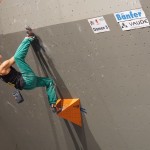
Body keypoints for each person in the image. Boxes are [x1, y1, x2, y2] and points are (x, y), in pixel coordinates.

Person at [0, 27, 59, 112]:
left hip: (28, 86)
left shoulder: (2, 71)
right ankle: (29, 38)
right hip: (27, 79)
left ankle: (53, 105)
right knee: (18, 57)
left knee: (49, 82)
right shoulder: (2, 68)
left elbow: (10, 59)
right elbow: (17, 57)